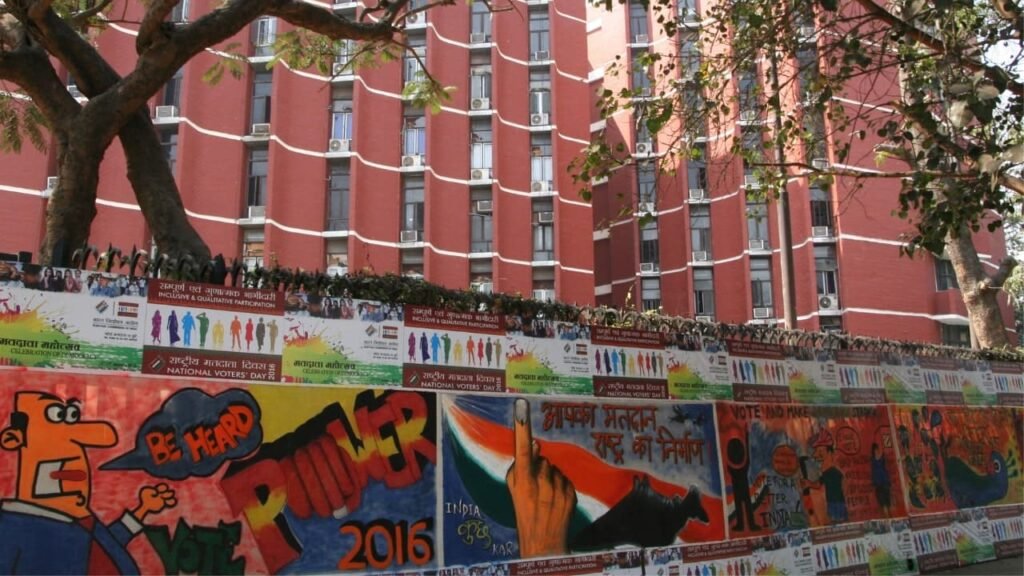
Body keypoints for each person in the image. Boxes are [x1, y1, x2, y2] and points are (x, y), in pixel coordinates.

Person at [0, 391, 176, 574]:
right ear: (13, 439)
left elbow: (104, 547)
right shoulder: (14, 526)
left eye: (72, 416)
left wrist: (142, 510)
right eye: (56, 416)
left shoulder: (81, 520)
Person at [871, 443, 892, 518]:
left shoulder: (876, 460)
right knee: (884, 502)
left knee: (886, 502)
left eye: (877, 449)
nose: (877, 451)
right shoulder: (875, 460)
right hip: (880, 483)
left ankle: (888, 516)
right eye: (876, 450)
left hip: (882, 482)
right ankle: (888, 517)